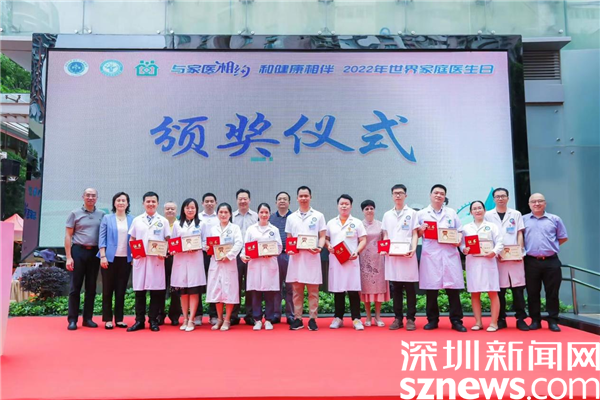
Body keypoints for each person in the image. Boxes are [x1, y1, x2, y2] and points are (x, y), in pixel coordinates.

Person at [417, 184, 467, 332]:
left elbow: (460, 231)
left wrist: (458, 240)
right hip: (431, 256)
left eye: (442, 193)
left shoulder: (451, 213)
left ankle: (456, 321)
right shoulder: (421, 214)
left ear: (445, 197)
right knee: (432, 291)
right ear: (430, 195)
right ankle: (432, 320)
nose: (438, 195)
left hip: (449, 254)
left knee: (453, 291)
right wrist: (420, 231)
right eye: (436, 193)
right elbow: (415, 234)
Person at [484, 188, 529, 331]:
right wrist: (494, 251)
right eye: (497, 196)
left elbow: (519, 233)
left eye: (503, 196)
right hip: (497, 258)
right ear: (494, 199)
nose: (500, 199)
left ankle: (520, 319)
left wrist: (519, 251)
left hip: (515, 257)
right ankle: (501, 318)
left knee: (518, 290)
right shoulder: (488, 215)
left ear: (508, 198)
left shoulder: (515, 214)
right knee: (500, 290)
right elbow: (486, 235)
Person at [523, 193, 568, 332]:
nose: (537, 204)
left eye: (540, 201)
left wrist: (550, 247)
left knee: (552, 293)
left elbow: (563, 237)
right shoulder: (523, 220)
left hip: (551, 261)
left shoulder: (555, 219)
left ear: (545, 203)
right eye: (533, 201)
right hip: (531, 261)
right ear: (529, 204)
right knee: (532, 293)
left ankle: (553, 320)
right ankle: (535, 320)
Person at [127, 192, 170, 332]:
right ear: (143, 203)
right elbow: (132, 239)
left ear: (157, 203)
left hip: (156, 261)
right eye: (148, 201)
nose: (151, 204)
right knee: (140, 292)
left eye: (153, 201)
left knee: (156, 292)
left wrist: (164, 252)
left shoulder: (163, 221)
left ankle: (153, 320)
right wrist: (134, 253)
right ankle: (139, 321)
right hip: (141, 260)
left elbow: (168, 240)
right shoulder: (137, 220)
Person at [285, 186, 326, 331]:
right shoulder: (291, 217)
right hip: (296, 259)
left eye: (306, 196)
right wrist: (290, 249)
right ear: (297, 198)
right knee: (297, 291)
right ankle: (298, 319)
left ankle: (313, 319)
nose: (303, 198)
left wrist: (319, 247)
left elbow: (322, 236)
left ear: (310, 197)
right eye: (301, 196)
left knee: (313, 291)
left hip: (312, 257)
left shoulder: (318, 216)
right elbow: (289, 238)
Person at [65, 188, 105, 331]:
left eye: (93, 195)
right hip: (78, 251)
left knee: (91, 287)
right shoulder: (74, 213)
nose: (90, 197)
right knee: (75, 287)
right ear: (83, 196)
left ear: (97, 198)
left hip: (94, 252)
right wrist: (68, 257)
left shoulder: (102, 214)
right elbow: (68, 235)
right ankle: (72, 320)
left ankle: (87, 319)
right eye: (88, 195)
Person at [381, 184, 419, 331]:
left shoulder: (412, 213)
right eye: (395, 193)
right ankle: (398, 318)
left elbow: (415, 233)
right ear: (392, 196)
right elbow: (385, 234)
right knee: (396, 288)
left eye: (400, 193)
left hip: (407, 255)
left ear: (405, 196)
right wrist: (384, 249)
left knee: (410, 289)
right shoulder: (387, 215)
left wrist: (413, 249)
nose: (398, 195)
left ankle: (410, 318)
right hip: (393, 256)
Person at [326, 194, 367, 330]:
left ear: (351, 206)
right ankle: (338, 318)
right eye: (341, 204)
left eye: (347, 204)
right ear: (338, 206)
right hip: (337, 261)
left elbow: (363, 240)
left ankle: (356, 319)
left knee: (353, 290)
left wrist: (357, 251)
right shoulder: (331, 223)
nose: (344, 206)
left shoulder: (357, 222)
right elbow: (326, 238)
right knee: (338, 290)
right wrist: (328, 246)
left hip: (351, 260)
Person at [461, 201, 503, 332]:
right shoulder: (466, 228)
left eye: (480, 208)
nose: (477, 210)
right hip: (473, 263)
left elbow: (500, 242)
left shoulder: (492, 226)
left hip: (488, 262)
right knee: (475, 293)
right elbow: (461, 243)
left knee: (492, 292)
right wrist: (464, 249)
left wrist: (494, 252)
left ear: (484, 210)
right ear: (471, 212)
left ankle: (494, 323)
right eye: (474, 209)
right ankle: (478, 322)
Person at [240, 203, 282, 330]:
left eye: (266, 212)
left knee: (270, 293)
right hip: (255, 264)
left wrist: (272, 253)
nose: (264, 215)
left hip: (269, 264)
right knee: (256, 293)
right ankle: (257, 319)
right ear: (258, 214)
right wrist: (243, 255)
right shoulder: (251, 229)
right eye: (261, 212)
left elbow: (279, 247)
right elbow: (245, 246)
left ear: (269, 214)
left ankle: (268, 319)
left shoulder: (274, 229)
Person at [97, 192, 134, 330]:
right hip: (109, 258)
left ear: (127, 203)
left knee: (121, 290)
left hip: (126, 259)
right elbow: (102, 238)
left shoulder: (133, 219)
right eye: (118, 200)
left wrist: (134, 256)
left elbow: (136, 239)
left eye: (124, 200)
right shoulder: (107, 218)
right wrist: (103, 256)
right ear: (114, 203)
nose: (121, 203)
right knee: (107, 290)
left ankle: (119, 319)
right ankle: (107, 319)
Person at [170, 198, 206, 332]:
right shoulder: (177, 224)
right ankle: (184, 318)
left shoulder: (201, 224)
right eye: (187, 207)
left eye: (192, 208)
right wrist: (174, 249)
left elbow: (206, 242)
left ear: (196, 210)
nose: (190, 210)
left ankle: (191, 319)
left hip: (195, 261)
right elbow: (173, 242)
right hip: (181, 260)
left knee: (194, 291)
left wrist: (197, 247)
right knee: (183, 292)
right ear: (183, 209)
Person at [206, 203, 243, 331]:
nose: (223, 215)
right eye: (221, 212)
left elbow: (239, 243)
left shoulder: (235, 228)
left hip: (229, 263)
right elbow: (208, 244)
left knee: (229, 291)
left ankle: (227, 320)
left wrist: (229, 255)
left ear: (230, 214)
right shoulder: (213, 229)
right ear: (217, 214)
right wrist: (208, 248)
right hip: (216, 263)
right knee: (217, 291)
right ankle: (219, 319)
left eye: (226, 212)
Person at [359, 199, 390, 327]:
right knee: (365, 289)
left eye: (371, 208)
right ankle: (368, 316)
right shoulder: (359, 225)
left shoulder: (381, 225)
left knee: (378, 288)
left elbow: (385, 238)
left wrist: (385, 249)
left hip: (378, 259)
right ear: (363, 211)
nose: (369, 210)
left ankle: (377, 316)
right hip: (364, 259)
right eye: (366, 209)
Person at [232, 189, 259, 325]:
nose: (243, 201)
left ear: (249, 200)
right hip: (235, 255)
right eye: (240, 199)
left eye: (245, 199)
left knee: (251, 285)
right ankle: (233, 315)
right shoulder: (231, 216)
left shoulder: (256, 216)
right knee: (234, 284)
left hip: (251, 255)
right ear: (237, 200)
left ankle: (250, 315)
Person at [269, 191, 294, 324]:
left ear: (289, 202)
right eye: (280, 199)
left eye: (285, 199)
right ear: (276, 202)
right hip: (274, 256)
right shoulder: (271, 218)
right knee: (275, 286)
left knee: (291, 287)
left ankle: (291, 315)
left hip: (291, 256)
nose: (282, 201)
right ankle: (275, 314)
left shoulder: (294, 218)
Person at [157, 201, 182, 326]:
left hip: (176, 259)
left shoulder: (180, 225)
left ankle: (175, 315)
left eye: (172, 209)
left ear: (176, 211)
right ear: (164, 210)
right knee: (160, 287)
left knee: (175, 288)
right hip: (160, 258)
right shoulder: (159, 223)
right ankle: (159, 315)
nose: (170, 211)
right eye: (167, 209)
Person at [198, 192, 219, 325]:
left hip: (216, 255)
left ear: (216, 203)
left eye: (212, 201)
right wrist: (202, 245)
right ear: (202, 203)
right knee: (198, 284)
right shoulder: (198, 217)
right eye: (207, 201)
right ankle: (198, 314)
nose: (209, 203)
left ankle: (214, 315)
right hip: (200, 254)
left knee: (214, 284)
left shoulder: (220, 216)